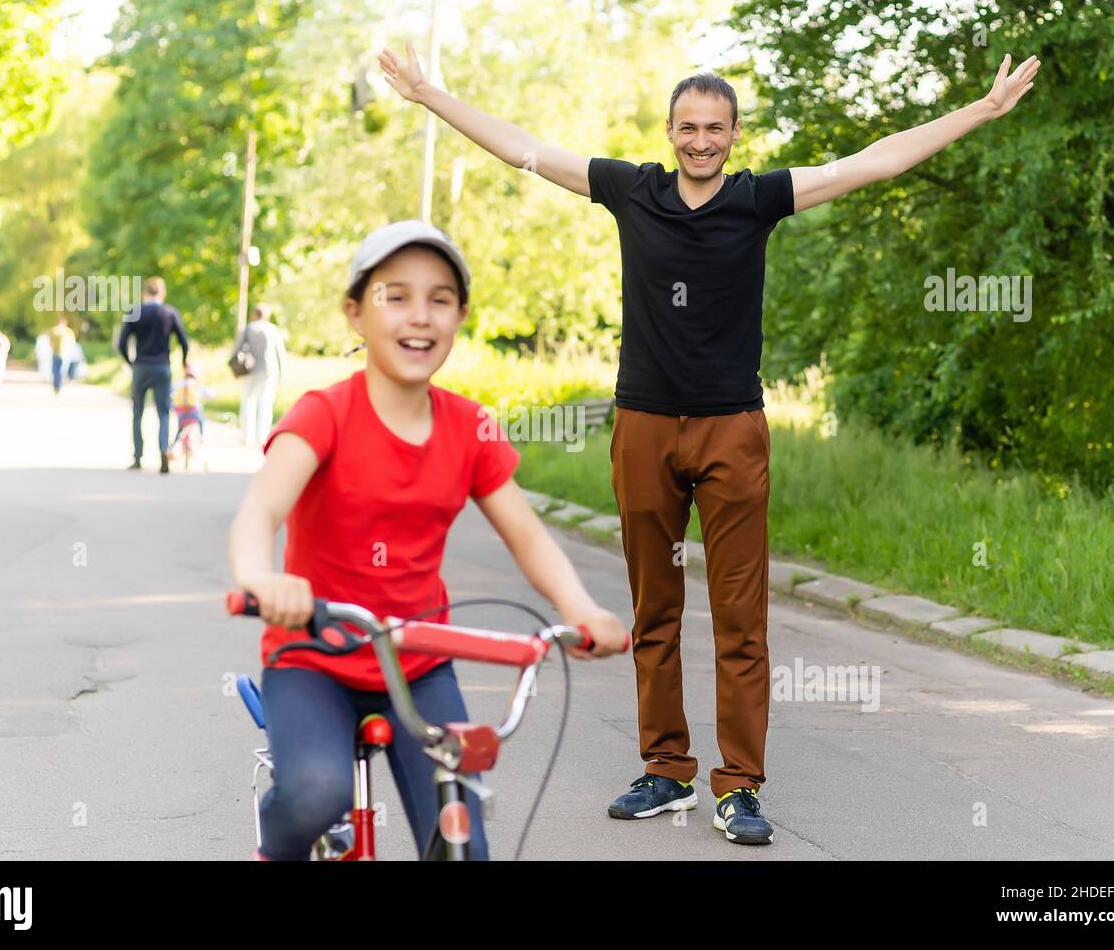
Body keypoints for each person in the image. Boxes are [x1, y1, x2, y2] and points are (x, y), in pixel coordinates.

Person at [380, 42, 1041, 845]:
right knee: (654, 610)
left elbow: (872, 164)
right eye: (688, 128)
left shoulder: (758, 199)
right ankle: (665, 770)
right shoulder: (631, 190)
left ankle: (740, 786)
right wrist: (430, 96)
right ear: (669, 130)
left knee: (741, 618)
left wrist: (981, 109)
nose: (700, 141)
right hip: (645, 425)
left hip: (733, 427)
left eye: (715, 129)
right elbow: (524, 147)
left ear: (734, 134)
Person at [228, 221, 629, 861]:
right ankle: (276, 846)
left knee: (460, 841)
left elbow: (528, 536)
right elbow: (259, 510)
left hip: (415, 662)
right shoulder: (323, 413)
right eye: (396, 296)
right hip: (313, 653)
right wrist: (260, 579)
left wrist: (580, 610)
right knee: (313, 792)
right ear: (355, 313)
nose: (420, 316)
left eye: (440, 298)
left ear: (460, 316)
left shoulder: (470, 427)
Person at [116, 276, 189, 474]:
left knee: (138, 412)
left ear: (144, 293)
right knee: (163, 412)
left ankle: (138, 457)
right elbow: (184, 341)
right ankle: (163, 449)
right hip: (163, 367)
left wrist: (130, 362)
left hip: (141, 367)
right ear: (162, 293)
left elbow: (121, 343)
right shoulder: (170, 312)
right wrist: (183, 361)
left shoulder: (134, 311)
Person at [233, 303, 287, 447]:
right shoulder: (273, 330)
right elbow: (280, 354)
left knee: (247, 402)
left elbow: (237, 350)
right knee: (265, 404)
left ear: (253, 314)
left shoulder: (248, 328)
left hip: (248, 370)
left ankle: (247, 437)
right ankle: (262, 437)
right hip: (269, 371)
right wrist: (282, 374)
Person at [171, 361, 211, 449]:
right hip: (194, 412)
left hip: (180, 412)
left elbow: (171, 392)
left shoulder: (179, 383)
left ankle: (174, 446)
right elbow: (210, 394)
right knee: (201, 419)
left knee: (179, 429)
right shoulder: (198, 385)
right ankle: (202, 435)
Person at [48, 317, 76, 394]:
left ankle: (57, 386)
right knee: (61, 370)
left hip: (56, 353)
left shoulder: (54, 330)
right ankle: (59, 385)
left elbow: (50, 342)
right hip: (65, 354)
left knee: (55, 370)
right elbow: (73, 343)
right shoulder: (69, 331)